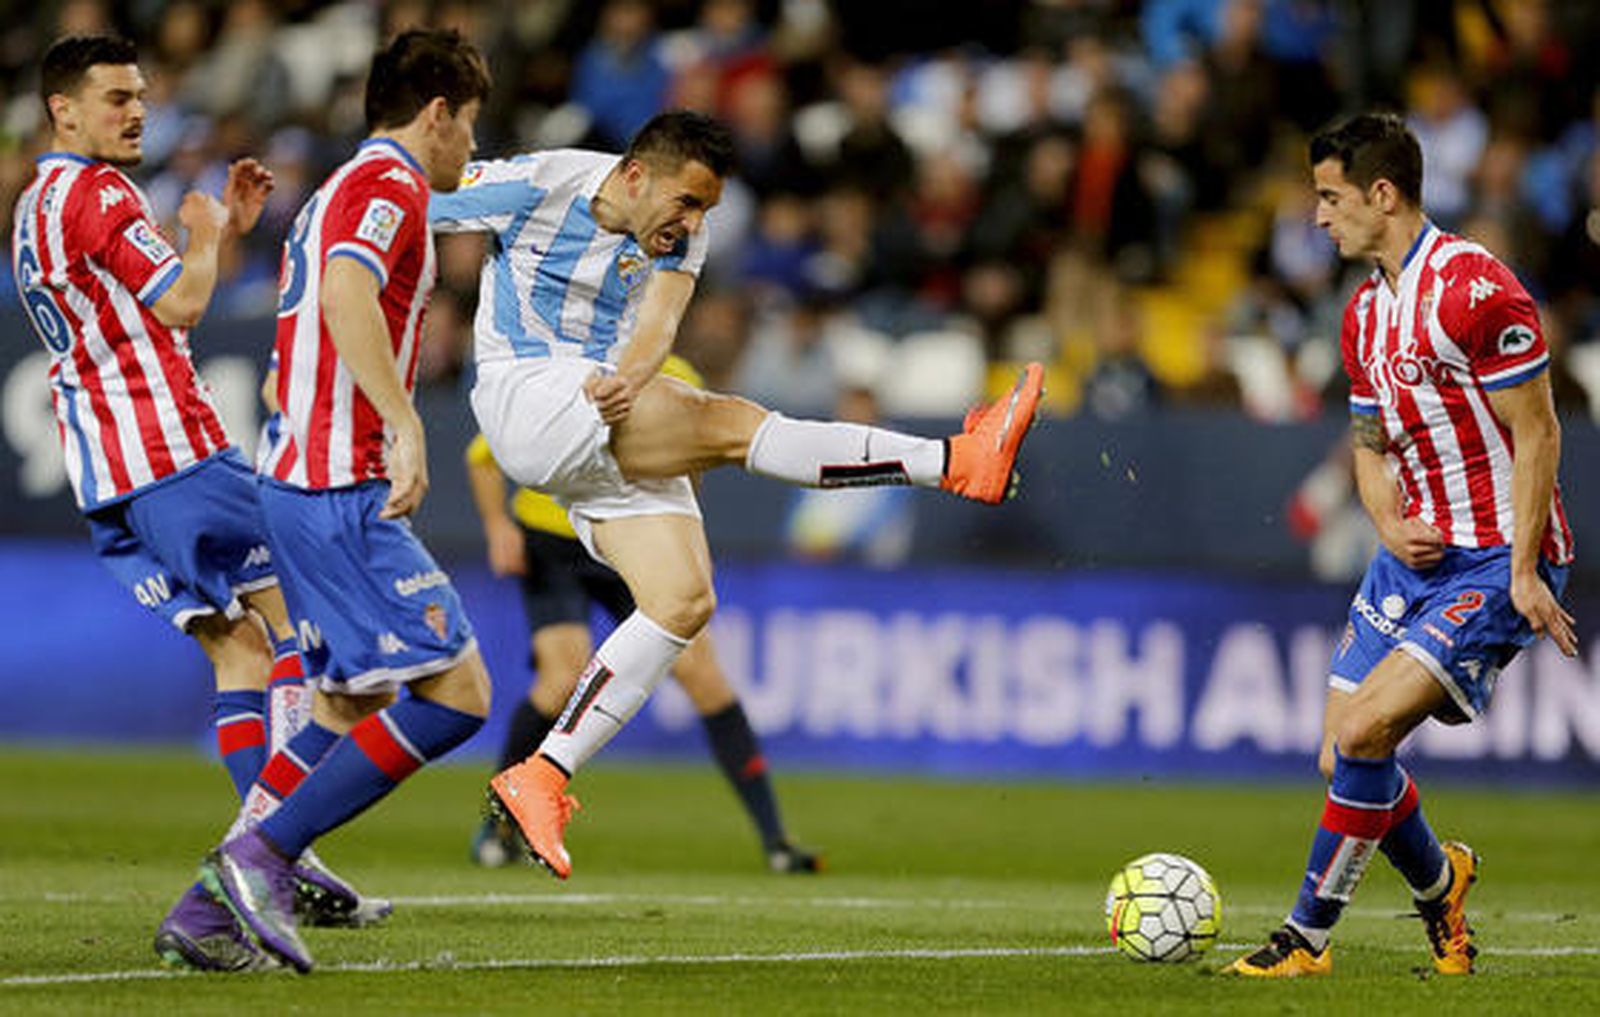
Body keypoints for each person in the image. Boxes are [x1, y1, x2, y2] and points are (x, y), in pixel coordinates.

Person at [429, 109, 1044, 880]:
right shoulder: (536, 183)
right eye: (685, 202)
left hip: (596, 404)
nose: (693, 222)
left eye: (707, 209)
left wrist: (634, 378)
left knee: (682, 599)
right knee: (732, 426)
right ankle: (956, 459)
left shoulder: (683, 234)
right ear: (632, 176)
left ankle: (543, 772)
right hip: (526, 395)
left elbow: (657, 323)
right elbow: (403, 195)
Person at [11, 34, 374, 974]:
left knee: (238, 644)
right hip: (171, 450)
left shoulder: (33, 203)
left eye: (142, 95)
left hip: (109, 476)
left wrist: (223, 235)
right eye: (116, 97)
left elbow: (134, 308)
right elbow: (177, 307)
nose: (136, 111)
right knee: (314, 617)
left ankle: (282, 857)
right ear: (64, 110)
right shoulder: (99, 192)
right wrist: (208, 235)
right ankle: (264, 856)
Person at [1226, 112, 1577, 978]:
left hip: (1496, 555)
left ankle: (1305, 939)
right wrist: (1385, 522)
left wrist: (1527, 569)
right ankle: (1440, 883)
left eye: (1330, 196)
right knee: (1340, 748)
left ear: (1383, 195)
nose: (1317, 216)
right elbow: (1367, 445)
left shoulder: (1475, 290)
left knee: (1364, 728)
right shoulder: (1363, 316)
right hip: (1410, 553)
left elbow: (1538, 435)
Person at [186, 29, 492, 974]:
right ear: (435, 113)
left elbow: (301, 341)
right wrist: (403, 422)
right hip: (338, 483)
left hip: (298, 475)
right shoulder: (393, 185)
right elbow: (348, 296)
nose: (470, 149)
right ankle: (258, 858)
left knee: (343, 701)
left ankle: (203, 911)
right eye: (470, 127)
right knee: (458, 692)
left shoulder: (333, 191)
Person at [464, 354, 819, 874]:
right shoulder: (558, 367)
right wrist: (498, 527)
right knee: (561, 679)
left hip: (636, 536)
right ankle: (498, 824)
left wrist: (689, 550)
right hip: (554, 543)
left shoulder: (678, 374)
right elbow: (482, 456)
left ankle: (775, 839)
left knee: (705, 678)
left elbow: (691, 468)